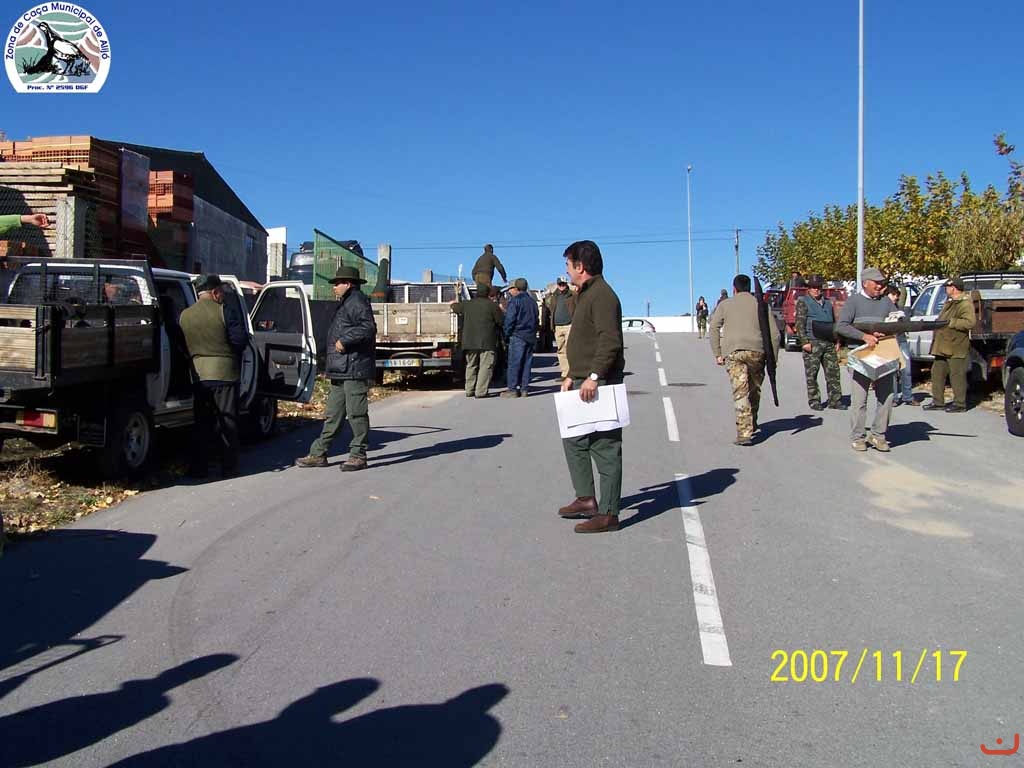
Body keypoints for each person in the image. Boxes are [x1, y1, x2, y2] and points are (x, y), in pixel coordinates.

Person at [557, 240, 625, 534]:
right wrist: (572, 374)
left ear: (580, 266)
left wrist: (595, 376)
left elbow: (610, 340)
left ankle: (609, 514)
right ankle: (586, 498)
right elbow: (584, 341)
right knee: (573, 437)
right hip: (582, 379)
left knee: (605, 447)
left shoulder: (603, 296)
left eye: (568, 265)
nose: (566, 271)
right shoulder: (586, 294)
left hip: (600, 382)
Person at [296, 266, 377, 471]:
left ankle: (358, 455)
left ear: (348, 284)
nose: (334, 287)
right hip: (342, 368)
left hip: (354, 368)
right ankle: (318, 453)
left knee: (356, 413)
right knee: (333, 414)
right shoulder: (347, 303)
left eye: (337, 283)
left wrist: (345, 340)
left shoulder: (357, 301)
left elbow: (368, 327)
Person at [179, 275, 249, 477]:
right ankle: (229, 467)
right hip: (225, 374)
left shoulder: (185, 315)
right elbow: (240, 340)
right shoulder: (224, 311)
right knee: (227, 421)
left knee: (202, 422)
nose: (223, 296)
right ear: (215, 292)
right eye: (222, 293)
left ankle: (199, 468)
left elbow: (181, 343)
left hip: (199, 376)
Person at [708, 274, 781, 446]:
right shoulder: (761, 304)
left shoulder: (725, 304)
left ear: (734, 289)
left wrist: (717, 353)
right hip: (757, 352)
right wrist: (773, 359)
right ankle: (752, 420)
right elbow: (775, 335)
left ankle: (744, 433)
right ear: (749, 288)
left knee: (740, 391)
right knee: (754, 389)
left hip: (733, 352)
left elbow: (713, 327)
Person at [835, 266, 899, 452]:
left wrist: (887, 329)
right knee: (860, 400)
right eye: (876, 283)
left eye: (882, 283)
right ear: (865, 283)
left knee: (887, 397)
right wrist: (864, 336)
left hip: (884, 354)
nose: (880, 286)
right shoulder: (853, 301)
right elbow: (842, 326)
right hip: (860, 356)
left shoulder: (886, 302)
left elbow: (896, 322)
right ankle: (858, 437)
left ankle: (878, 435)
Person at [924, 277, 976, 413]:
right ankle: (938, 402)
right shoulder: (950, 302)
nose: (946, 289)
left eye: (947, 287)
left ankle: (960, 404)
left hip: (956, 345)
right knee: (937, 373)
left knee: (957, 375)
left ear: (953, 288)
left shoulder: (965, 303)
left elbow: (970, 323)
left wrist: (951, 322)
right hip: (942, 345)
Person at [796, 275, 845, 411]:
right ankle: (814, 400)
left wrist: (837, 340)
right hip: (813, 342)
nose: (816, 290)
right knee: (812, 374)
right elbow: (799, 323)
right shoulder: (803, 302)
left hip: (828, 341)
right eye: (813, 287)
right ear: (808, 289)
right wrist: (804, 342)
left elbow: (834, 322)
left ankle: (835, 400)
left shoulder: (828, 302)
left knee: (833, 373)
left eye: (818, 287)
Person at [450, 282, 504, 398]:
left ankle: (469, 390)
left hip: (469, 342)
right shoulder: (492, 306)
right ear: (488, 293)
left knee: (471, 365)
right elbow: (501, 321)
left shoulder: (467, 304)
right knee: (486, 366)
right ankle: (480, 391)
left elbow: (455, 307)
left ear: (476, 293)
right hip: (487, 342)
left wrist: (453, 303)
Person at [501, 278, 537, 398]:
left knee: (514, 363)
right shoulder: (532, 302)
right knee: (527, 363)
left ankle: (512, 389)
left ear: (516, 288)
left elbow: (510, 320)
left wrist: (507, 334)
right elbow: (536, 318)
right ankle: (524, 389)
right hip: (530, 335)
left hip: (518, 335)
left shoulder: (515, 301)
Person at [885, 283, 918, 407]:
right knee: (892, 371)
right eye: (893, 295)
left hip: (901, 340)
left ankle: (908, 396)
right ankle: (894, 397)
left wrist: (903, 318)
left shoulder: (900, 308)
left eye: (897, 295)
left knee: (906, 369)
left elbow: (907, 324)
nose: (896, 297)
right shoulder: (882, 308)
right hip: (889, 342)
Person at [544, 276, 576, 378]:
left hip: (569, 325)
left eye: (563, 284)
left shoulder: (573, 295)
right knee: (561, 350)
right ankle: (565, 373)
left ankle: (572, 373)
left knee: (570, 349)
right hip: (557, 327)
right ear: (557, 285)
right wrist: (548, 295)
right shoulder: (554, 296)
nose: (562, 286)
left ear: (566, 284)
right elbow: (548, 306)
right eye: (560, 284)